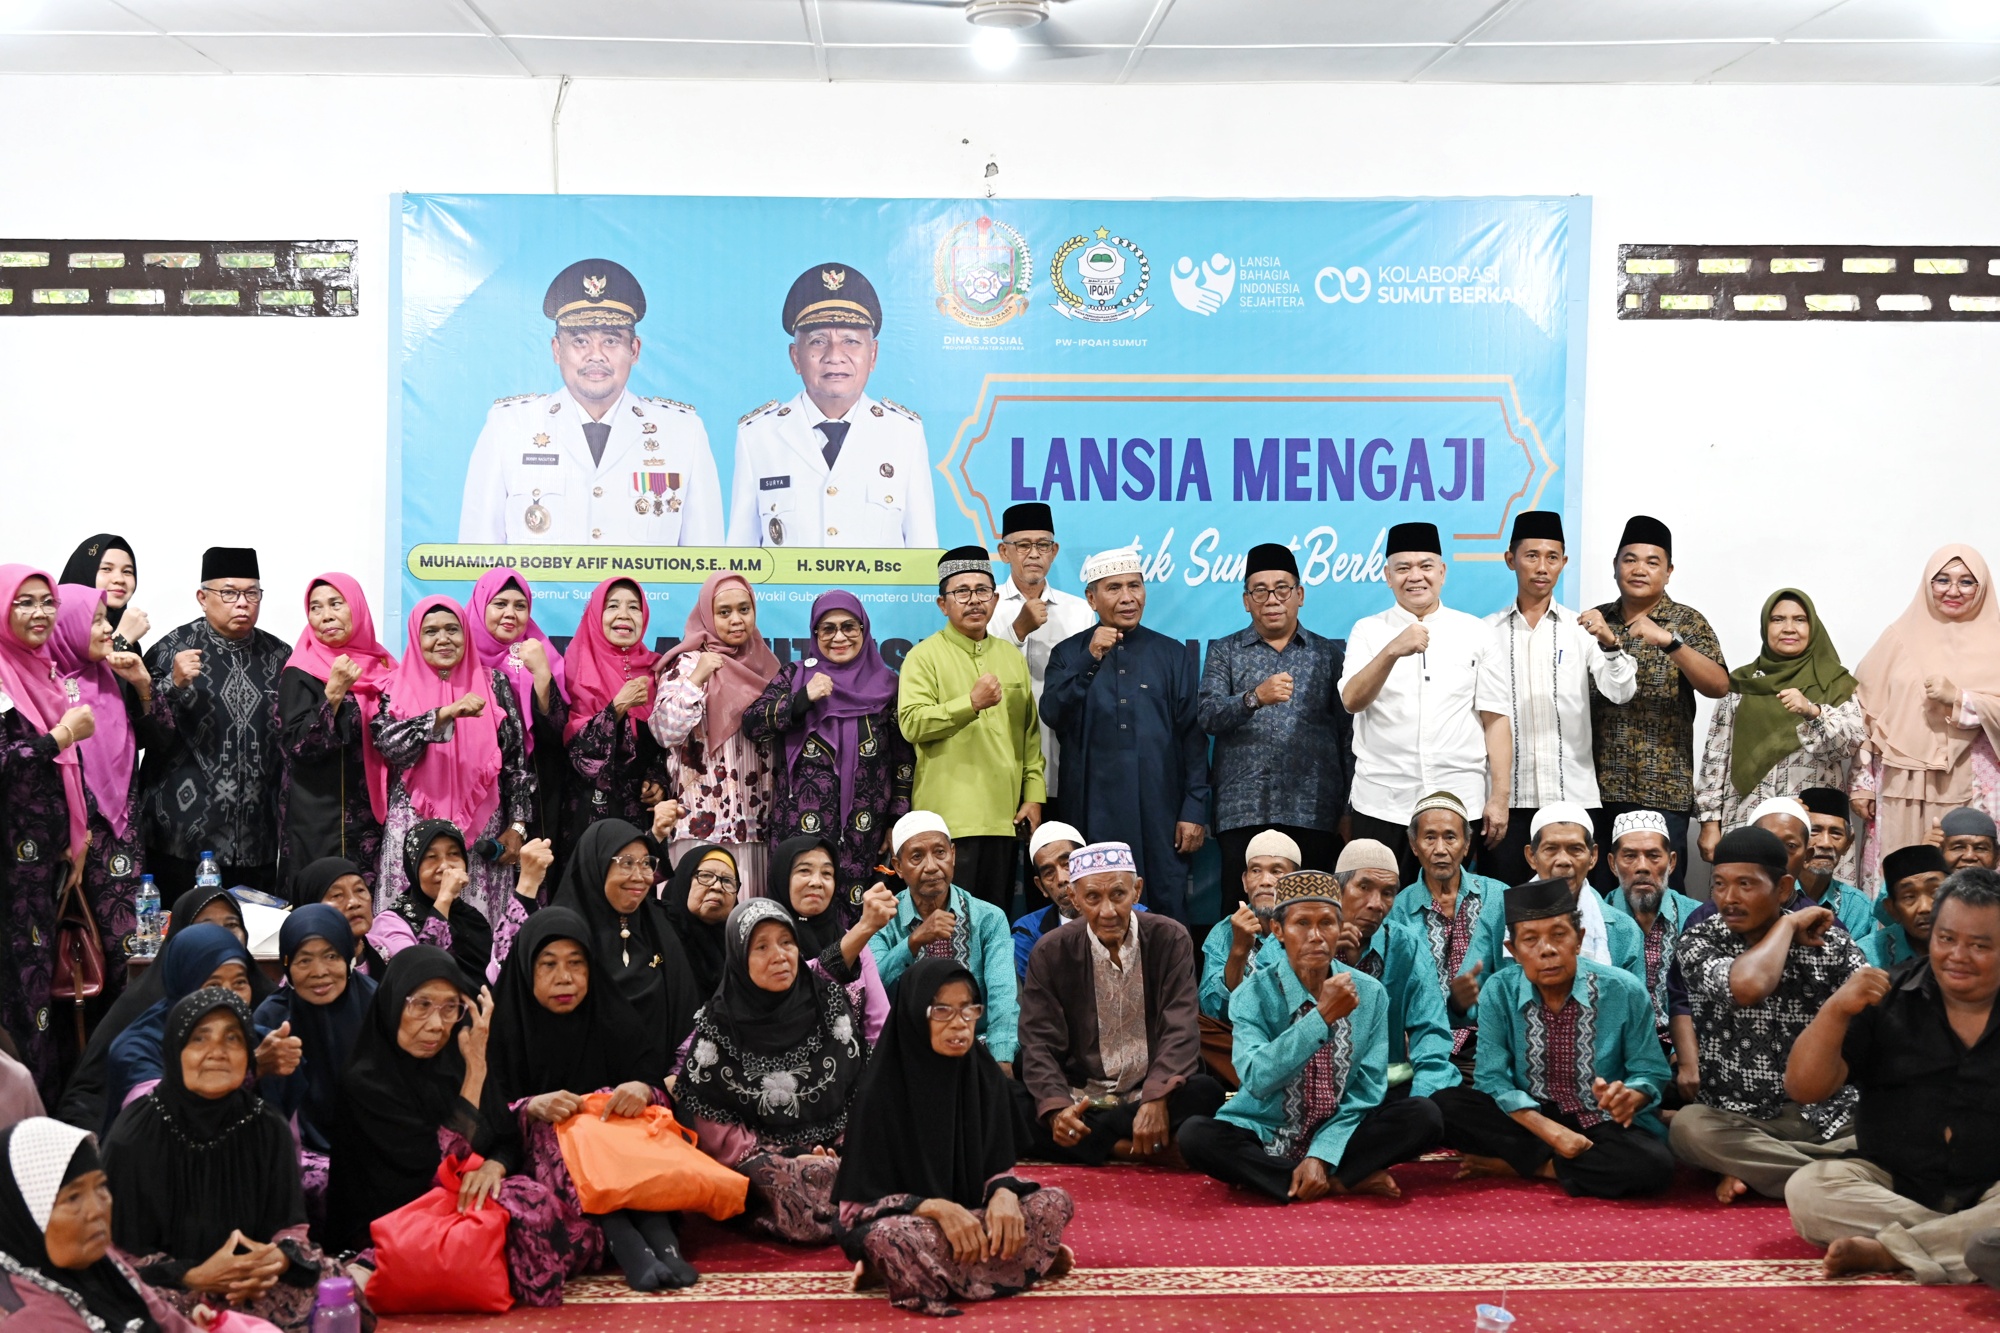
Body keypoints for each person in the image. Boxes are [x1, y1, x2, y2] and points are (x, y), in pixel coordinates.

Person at [324, 948, 595, 1306]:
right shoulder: (366, 1082)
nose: (436, 1025)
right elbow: (435, 1167)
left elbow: (505, 1138)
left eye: (450, 1008)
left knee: (540, 1168)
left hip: (462, 1204)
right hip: (395, 1218)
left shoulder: (455, 1057)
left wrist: (493, 1167)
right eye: (421, 1005)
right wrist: (475, 1075)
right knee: (522, 1207)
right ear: (392, 1004)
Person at [1784, 867, 2000, 1284]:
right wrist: (1835, 1010)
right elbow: (1804, 1088)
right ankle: (1967, 1242)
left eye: (1979, 945)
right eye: (1946, 939)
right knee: (1808, 1190)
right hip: (1894, 1184)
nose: (1958, 955)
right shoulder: (1887, 993)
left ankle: (1891, 1251)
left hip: (1993, 1185)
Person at [1180, 867, 1443, 1201]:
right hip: (1265, 1128)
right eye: (1302, 923)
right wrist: (1321, 1018)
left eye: (1327, 923)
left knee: (1425, 1116)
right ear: (1278, 930)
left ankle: (1289, 1179)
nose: (1316, 936)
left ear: (1340, 928)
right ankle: (1339, 1181)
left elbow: (1366, 1090)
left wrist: (1320, 1154)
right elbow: (1256, 1079)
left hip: (1341, 1131)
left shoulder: (1369, 993)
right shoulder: (1253, 993)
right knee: (1196, 1136)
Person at [833, 958, 1075, 1317]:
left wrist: (1004, 1194)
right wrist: (934, 1207)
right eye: (942, 1011)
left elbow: (998, 1168)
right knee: (890, 1237)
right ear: (915, 1013)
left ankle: (923, 1268)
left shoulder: (983, 1076)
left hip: (972, 1216)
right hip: (910, 1220)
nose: (960, 1023)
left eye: (968, 1010)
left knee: (1053, 1202)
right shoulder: (880, 1091)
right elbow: (853, 1212)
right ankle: (1020, 1261)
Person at [480, 908, 692, 1292]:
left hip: (622, 1155)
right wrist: (529, 1108)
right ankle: (627, 1244)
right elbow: (488, 1117)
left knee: (627, 1111)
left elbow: (654, 1084)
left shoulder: (611, 1014)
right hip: (551, 1167)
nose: (565, 977)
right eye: (549, 965)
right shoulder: (505, 1028)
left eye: (576, 963)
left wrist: (643, 1090)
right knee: (560, 1128)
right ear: (527, 968)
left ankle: (662, 1239)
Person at [103, 988, 340, 1330]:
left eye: (232, 1039)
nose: (217, 1052)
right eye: (200, 1039)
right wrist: (195, 1276)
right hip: (169, 1286)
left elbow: (289, 1229)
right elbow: (117, 1254)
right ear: (175, 1050)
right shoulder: (135, 1134)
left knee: (332, 1285)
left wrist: (273, 1260)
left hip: (252, 1283)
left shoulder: (267, 1125)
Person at [1430, 879, 1675, 1199]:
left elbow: (1651, 1070)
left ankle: (1534, 1166)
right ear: (1514, 951)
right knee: (1445, 1105)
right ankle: (1569, 1164)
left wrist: (1632, 1095)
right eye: (1530, 939)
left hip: (1600, 1120)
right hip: (1531, 1117)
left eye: (1559, 935)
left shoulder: (1624, 990)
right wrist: (1553, 1133)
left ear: (1579, 940)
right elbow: (1491, 1077)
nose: (1547, 949)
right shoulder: (1499, 990)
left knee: (1655, 1164)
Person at [459, 257, 723, 545]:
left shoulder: (682, 433)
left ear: (634, 350)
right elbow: (476, 557)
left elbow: (707, 560)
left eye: (611, 341)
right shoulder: (509, 427)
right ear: (557, 350)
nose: (595, 355)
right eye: (580, 341)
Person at [1669, 826, 1865, 1204]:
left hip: (1828, 1114)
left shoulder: (1830, 941)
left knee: (1897, 1122)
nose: (1729, 898)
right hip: (1739, 1117)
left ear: (1783, 887)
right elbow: (1748, 986)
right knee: (1688, 1129)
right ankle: (1840, 1173)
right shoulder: (1700, 940)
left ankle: (1762, 1171)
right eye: (1719, 884)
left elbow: (1871, 1017)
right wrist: (1788, 924)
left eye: (1745, 884)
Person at [673, 898, 873, 1244]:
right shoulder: (720, 1023)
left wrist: (839, 1146)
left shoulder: (828, 1003)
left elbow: (856, 1090)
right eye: (761, 947)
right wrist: (792, 1156)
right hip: (764, 1160)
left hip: (834, 1150)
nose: (779, 956)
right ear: (739, 957)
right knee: (789, 1181)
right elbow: (714, 1129)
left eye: (786, 942)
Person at [1017, 842, 1223, 1165]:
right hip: (1082, 1095)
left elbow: (1180, 1028)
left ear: (1136, 891)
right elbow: (1039, 1043)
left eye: (1118, 894)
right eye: (1093, 898)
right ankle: (1130, 1148)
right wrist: (1058, 1110)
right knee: (1014, 1103)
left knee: (1204, 1092)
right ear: (1074, 898)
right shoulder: (1049, 951)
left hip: (1150, 1089)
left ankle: (1096, 1143)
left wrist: (1156, 1098)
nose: (1108, 911)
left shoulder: (1171, 938)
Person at [1043, 547, 1211, 922]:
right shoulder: (1068, 654)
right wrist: (1090, 657)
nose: (1127, 597)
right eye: (1114, 588)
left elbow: (1193, 738)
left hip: (1161, 813)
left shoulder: (1172, 655)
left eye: (1134, 586)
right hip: (1090, 812)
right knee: (1096, 913)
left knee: (1164, 914)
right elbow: (1053, 713)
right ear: (1092, 598)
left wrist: (1194, 809)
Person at [367, 596, 538, 962]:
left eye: (452, 629)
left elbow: (516, 764)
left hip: (481, 832)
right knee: (412, 945)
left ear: (466, 634)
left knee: (480, 942)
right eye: (430, 631)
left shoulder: (494, 683)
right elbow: (390, 747)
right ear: (416, 637)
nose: (443, 639)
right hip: (415, 834)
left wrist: (518, 826)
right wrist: (443, 714)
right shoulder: (394, 686)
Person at [1339, 522, 1508, 884]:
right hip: (1383, 802)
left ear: (1442, 572)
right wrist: (1392, 650)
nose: (1415, 576)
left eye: (1425, 566)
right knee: (1376, 905)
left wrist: (1499, 797)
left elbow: (1495, 719)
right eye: (1403, 568)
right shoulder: (1368, 631)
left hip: (1458, 800)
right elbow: (1352, 700)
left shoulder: (1475, 631)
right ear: (1388, 576)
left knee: (1452, 903)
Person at [728, 262, 936, 549]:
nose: (835, 356)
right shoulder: (758, 436)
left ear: (873, 355)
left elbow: (923, 550)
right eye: (818, 341)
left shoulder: (904, 434)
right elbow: (741, 556)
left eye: (851, 341)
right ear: (795, 357)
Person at [1480, 511, 1636, 886]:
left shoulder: (1582, 629)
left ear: (1564, 562)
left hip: (1573, 798)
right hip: (1508, 803)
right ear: (1510, 559)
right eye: (1531, 555)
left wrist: (1610, 643)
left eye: (1552, 557)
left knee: (1574, 907)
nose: (1542, 567)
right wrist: (1495, 799)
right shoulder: (1485, 632)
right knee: (1507, 904)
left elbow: (1621, 692)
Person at [1199, 542, 1353, 907]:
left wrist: (1348, 811)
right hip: (1243, 810)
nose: (1272, 599)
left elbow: (1348, 737)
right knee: (1241, 915)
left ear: (1300, 595)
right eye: (1260, 591)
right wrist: (1255, 697)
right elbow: (1208, 714)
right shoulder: (1225, 651)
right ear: (1246, 600)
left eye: (1282, 589)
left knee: (1312, 913)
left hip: (1313, 811)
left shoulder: (1328, 655)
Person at [745, 592, 913, 924]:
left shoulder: (888, 686)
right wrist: (802, 699)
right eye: (828, 628)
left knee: (856, 921)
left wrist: (896, 820)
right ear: (815, 634)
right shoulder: (794, 677)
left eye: (849, 627)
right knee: (796, 919)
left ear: (864, 631)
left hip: (865, 830)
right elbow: (752, 723)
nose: (839, 637)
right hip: (799, 826)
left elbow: (903, 761)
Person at [54, 884, 271, 1135]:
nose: (227, 994)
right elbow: (146, 1113)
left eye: (231, 925)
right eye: (205, 925)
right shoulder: (140, 1017)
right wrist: (252, 1070)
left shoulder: (264, 1004)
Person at [898, 547, 1044, 914]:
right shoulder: (923, 657)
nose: (974, 600)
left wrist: (1033, 795)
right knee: (946, 924)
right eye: (962, 592)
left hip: (1003, 819)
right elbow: (912, 723)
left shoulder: (1010, 657)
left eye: (982, 591)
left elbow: (1028, 735)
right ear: (942, 604)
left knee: (992, 921)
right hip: (947, 822)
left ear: (995, 599)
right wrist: (971, 704)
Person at [1587, 516, 1729, 893]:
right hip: (1597, 790)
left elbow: (1718, 685)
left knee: (1661, 899)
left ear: (1668, 572)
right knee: (1601, 899)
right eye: (1630, 559)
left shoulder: (1687, 621)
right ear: (1615, 566)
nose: (1639, 569)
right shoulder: (1595, 622)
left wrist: (1670, 642)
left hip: (1663, 790)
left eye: (1652, 562)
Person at [137, 546, 289, 895]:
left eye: (252, 593)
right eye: (230, 593)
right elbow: (141, 736)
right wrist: (172, 685)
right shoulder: (171, 650)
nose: (243, 603)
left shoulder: (280, 657)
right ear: (202, 598)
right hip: (179, 843)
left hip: (258, 843)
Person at [1850, 545, 2000, 893]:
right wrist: (1861, 783)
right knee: (1902, 874)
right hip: (1902, 783)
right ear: (1927, 584)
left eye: (1967, 582)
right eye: (1942, 580)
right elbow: (1863, 713)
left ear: (1982, 588)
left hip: (1976, 782)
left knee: (1972, 884)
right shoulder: (1897, 639)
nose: (1953, 590)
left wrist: (1961, 699)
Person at [0, 568, 98, 1096]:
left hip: (44, 864)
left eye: (47, 602)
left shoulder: (44, 670)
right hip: (8, 869)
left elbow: (66, 774)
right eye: (24, 603)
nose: (39, 613)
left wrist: (75, 840)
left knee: (40, 994)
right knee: (17, 995)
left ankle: (44, 1112)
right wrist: (61, 735)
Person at [1695, 590, 1862, 868]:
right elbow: (1715, 755)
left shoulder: (1835, 683)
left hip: (1815, 825)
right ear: (1765, 626)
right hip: (1747, 817)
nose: (1788, 628)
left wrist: (1813, 712)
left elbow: (1848, 747)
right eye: (1777, 619)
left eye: (1800, 620)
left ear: (1813, 626)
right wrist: (1709, 823)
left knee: (1813, 891)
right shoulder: (1742, 683)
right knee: (1748, 888)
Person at [0, 1116, 208, 1332]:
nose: (97, 1210)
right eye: (72, 1198)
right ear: (23, 1215)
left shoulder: (102, 1262)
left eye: (101, 1186)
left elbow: (173, 1324)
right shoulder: (21, 1319)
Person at [50, 582, 156, 992]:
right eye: (95, 621)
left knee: (126, 954)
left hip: (122, 834)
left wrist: (143, 685)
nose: (108, 628)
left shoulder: (111, 675)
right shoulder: (42, 688)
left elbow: (155, 738)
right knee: (69, 957)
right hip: (68, 842)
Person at [649, 572, 780, 897]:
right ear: (708, 614)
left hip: (755, 826)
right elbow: (665, 732)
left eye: (744, 609)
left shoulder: (768, 666)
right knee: (697, 915)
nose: (736, 620)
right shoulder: (687, 664)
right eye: (724, 612)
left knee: (750, 919)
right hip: (700, 824)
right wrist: (697, 678)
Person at [103, 923, 294, 1131]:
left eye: (239, 983)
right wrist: (251, 1070)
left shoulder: (261, 1041)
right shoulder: (135, 1050)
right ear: (184, 985)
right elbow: (156, 1122)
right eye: (213, 985)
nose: (229, 997)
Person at [866, 813, 1020, 1072]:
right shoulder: (882, 919)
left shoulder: (989, 918)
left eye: (940, 853)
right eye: (917, 857)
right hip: (906, 1051)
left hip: (974, 1047)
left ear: (953, 855)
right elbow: (873, 990)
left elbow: (1002, 997)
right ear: (898, 867)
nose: (931, 866)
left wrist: (1002, 1059)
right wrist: (913, 941)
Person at [550, 820, 703, 1073]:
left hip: (656, 1089)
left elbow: (686, 1012)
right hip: (580, 1088)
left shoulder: (658, 928)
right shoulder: (562, 934)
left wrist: (677, 1076)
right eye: (627, 863)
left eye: (646, 864)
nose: (640, 877)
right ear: (596, 864)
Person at [254, 905, 376, 1212]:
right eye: (304, 960)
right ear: (287, 965)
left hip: (373, 1139)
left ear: (347, 957)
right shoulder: (271, 1018)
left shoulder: (376, 1003)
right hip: (297, 1149)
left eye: (331, 956)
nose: (319, 971)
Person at [279, 573, 395, 895]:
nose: (326, 615)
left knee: (370, 910)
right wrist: (333, 694)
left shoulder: (385, 666)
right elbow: (298, 747)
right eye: (315, 608)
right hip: (319, 822)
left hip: (374, 822)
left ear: (356, 608)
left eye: (335, 604)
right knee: (321, 909)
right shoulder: (300, 672)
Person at [1330, 841, 1459, 1108]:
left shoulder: (1406, 946)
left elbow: (1431, 1032)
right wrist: (1322, 956)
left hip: (1383, 1089)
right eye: (1364, 887)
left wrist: (1420, 1100)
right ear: (1337, 890)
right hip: (1313, 1088)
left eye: (1387, 893)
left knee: (1442, 1109)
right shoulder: (1299, 940)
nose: (1376, 904)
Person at [1387, 792, 1510, 1064]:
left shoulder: (1499, 897)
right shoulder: (1398, 910)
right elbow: (1394, 988)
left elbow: (1514, 976)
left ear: (1466, 845)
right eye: (1429, 838)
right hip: (1423, 1043)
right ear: (1414, 845)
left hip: (1489, 1042)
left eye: (1450, 837)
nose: (1440, 849)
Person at [990, 502, 1095, 816]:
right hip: (999, 756)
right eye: (1023, 545)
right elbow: (979, 671)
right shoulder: (986, 606)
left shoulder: (1078, 611)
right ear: (1004, 552)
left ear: (1054, 551)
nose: (1034, 554)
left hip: (1061, 755)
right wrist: (1017, 631)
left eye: (1043, 545)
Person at [465, 569, 570, 870]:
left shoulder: (541, 653)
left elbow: (558, 733)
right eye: (500, 604)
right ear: (480, 606)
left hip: (535, 789)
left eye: (520, 606)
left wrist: (542, 675)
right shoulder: (458, 657)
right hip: (476, 787)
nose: (511, 613)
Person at [560, 577, 667, 851]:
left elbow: (664, 746)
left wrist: (657, 780)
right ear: (596, 614)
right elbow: (576, 756)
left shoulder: (659, 671)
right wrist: (617, 707)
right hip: (588, 814)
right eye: (612, 606)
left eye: (634, 607)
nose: (624, 614)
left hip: (642, 816)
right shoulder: (571, 669)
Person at [1601, 811, 1702, 1101]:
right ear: (1612, 863)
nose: (1642, 867)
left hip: (1687, 1055)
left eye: (1653, 856)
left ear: (1671, 862)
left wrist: (1685, 1053)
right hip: (1619, 1059)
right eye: (1630, 856)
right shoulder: (1595, 921)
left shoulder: (1697, 917)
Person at [383, 820, 541, 990]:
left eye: (454, 854)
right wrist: (444, 899)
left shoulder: (471, 918)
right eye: (431, 857)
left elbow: (502, 975)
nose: (445, 866)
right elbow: (420, 978)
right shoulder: (392, 922)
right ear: (413, 867)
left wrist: (529, 883)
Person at [1195, 829, 1296, 1088]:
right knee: (1195, 1026)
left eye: (1277, 871)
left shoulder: (1307, 926)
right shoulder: (1223, 932)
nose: (1265, 881)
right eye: (1256, 871)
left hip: (1293, 1038)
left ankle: (1257, 1080)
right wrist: (1239, 951)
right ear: (1244, 881)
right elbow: (1213, 1012)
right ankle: (1269, 1080)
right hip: (1238, 1039)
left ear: (1295, 881)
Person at [771, 835, 896, 1043]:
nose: (817, 882)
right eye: (804, 871)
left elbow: (879, 1025)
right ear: (782, 877)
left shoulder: (852, 940)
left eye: (827, 873)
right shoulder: (766, 943)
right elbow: (803, 991)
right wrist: (864, 928)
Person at [1752, 795, 1874, 941]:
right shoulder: (1764, 894)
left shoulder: (1857, 906)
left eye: (1836, 833)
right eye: (1814, 831)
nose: (1825, 843)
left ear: (1848, 844)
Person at [298, 855, 412, 978]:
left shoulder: (394, 956)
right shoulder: (303, 976)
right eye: (337, 895)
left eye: (359, 890)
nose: (354, 902)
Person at [1012, 820, 1088, 978]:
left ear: (1089, 864)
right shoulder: (1028, 932)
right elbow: (1036, 990)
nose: (1061, 879)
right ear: (1041, 887)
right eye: (1049, 873)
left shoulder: (1133, 917)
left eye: (1067, 864)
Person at [661, 842, 738, 999]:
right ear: (684, 882)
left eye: (727, 881)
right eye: (706, 876)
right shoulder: (661, 939)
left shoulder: (740, 945)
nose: (717, 886)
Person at [58, 535, 148, 654]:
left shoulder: (132, 642)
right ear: (84, 572)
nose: (119, 579)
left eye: (127, 571)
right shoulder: (58, 633)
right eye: (106, 569)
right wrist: (122, 640)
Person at [1863, 844, 1946, 970]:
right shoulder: (1867, 958)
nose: (1925, 907)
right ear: (1892, 909)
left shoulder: (1973, 944)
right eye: (1909, 897)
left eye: (1936, 893)